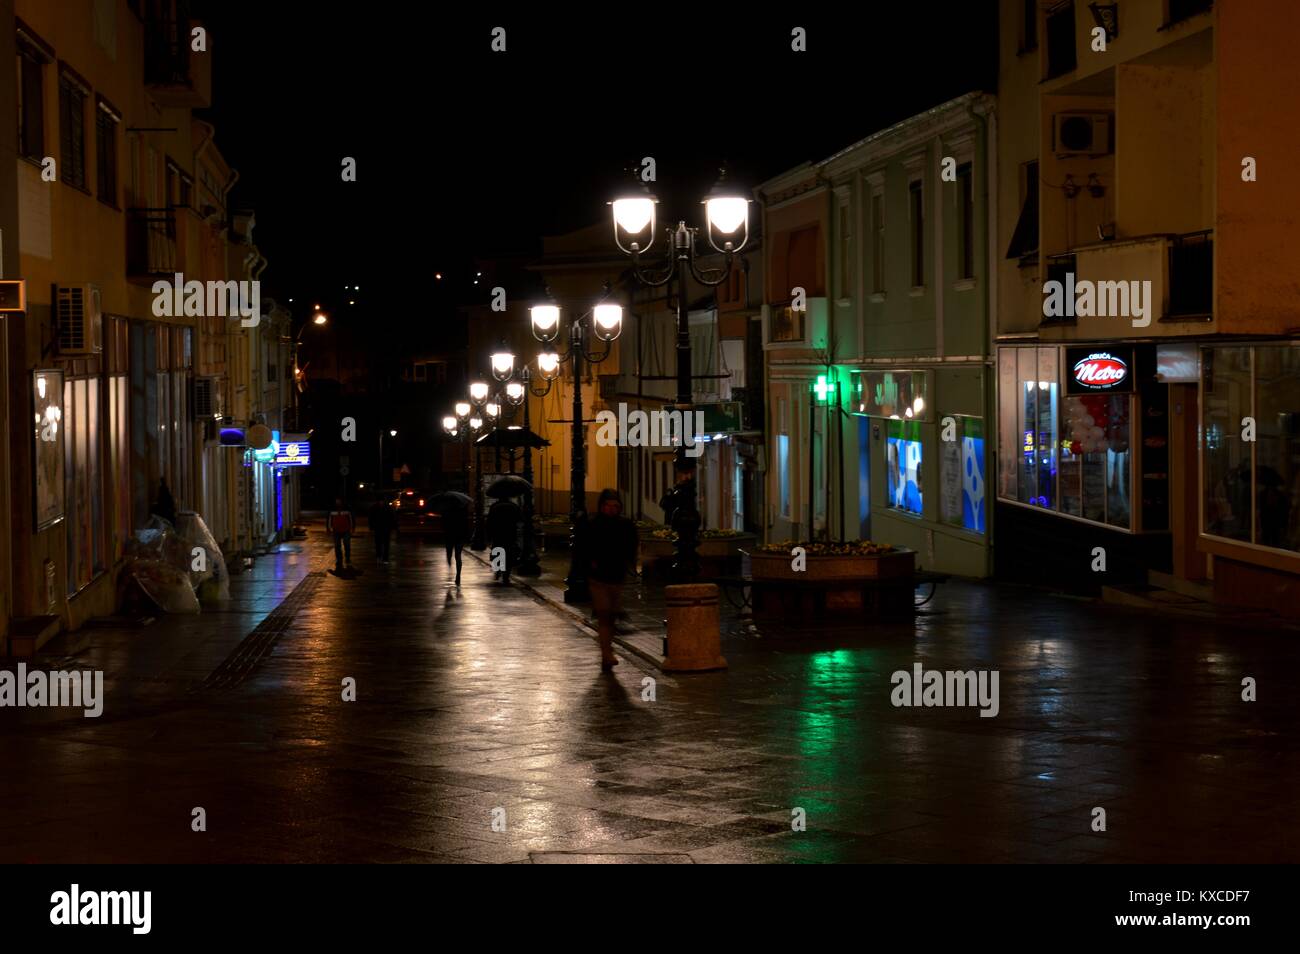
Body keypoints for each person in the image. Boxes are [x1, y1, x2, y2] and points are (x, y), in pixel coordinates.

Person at [579, 489, 639, 671]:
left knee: (610, 616)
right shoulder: (592, 524)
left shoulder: (625, 525)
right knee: (605, 614)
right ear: (601, 506)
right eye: (608, 506)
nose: (612, 509)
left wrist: (634, 564)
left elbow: (632, 546)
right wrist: (589, 566)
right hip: (598, 577)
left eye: (615, 506)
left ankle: (607, 650)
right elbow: (583, 549)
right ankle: (606, 653)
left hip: (617, 576)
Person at [486, 496, 523, 585]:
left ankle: (498, 570)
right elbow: (520, 519)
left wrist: (489, 534)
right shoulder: (513, 506)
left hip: (497, 532)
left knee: (497, 549)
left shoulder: (495, 506)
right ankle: (506, 575)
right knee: (509, 553)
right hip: (510, 532)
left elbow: (490, 521)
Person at [442, 502, 470, 587]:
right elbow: (466, 524)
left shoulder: (447, 512)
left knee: (449, 551)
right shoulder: (462, 512)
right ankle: (458, 574)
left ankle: (449, 560)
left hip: (449, 535)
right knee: (458, 555)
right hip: (460, 535)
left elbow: (443, 524)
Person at [328, 497, 355, 571]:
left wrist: (352, 528)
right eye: (337, 500)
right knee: (337, 546)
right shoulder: (332, 508)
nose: (338, 501)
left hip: (346, 530)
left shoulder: (347, 508)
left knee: (347, 545)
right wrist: (329, 528)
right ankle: (339, 560)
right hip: (336, 530)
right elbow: (329, 519)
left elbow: (351, 518)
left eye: (339, 500)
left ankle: (347, 558)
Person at [368, 496, 395, 563]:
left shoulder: (387, 507)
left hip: (385, 528)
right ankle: (379, 557)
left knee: (385, 544)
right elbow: (371, 518)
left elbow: (392, 517)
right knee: (378, 544)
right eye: (380, 501)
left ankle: (384, 558)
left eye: (382, 501)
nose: (381, 502)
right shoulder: (375, 508)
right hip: (379, 528)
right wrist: (371, 527)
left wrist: (392, 526)